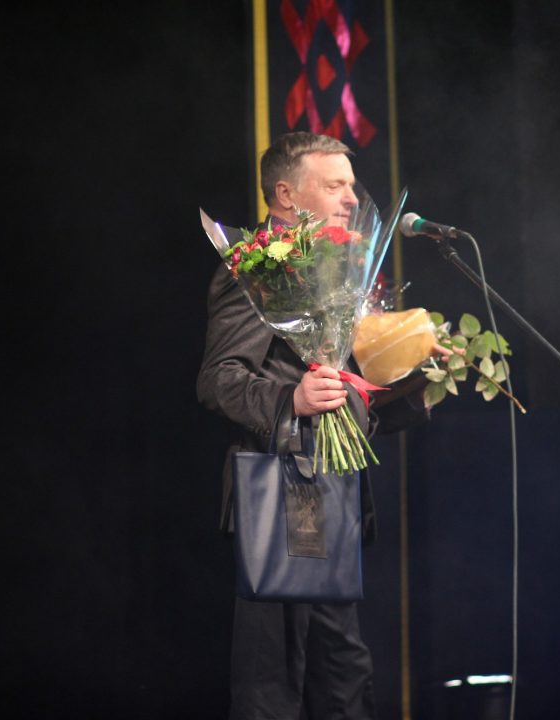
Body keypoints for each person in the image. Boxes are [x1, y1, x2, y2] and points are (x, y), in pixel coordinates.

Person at [197, 131, 429, 720]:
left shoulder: (337, 276)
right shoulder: (256, 269)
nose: (352, 198)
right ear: (286, 195)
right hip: (279, 495)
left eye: (351, 186)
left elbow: (347, 405)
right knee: (272, 682)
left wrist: (422, 389)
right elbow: (218, 380)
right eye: (335, 186)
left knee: (345, 678)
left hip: (332, 495)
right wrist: (289, 399)